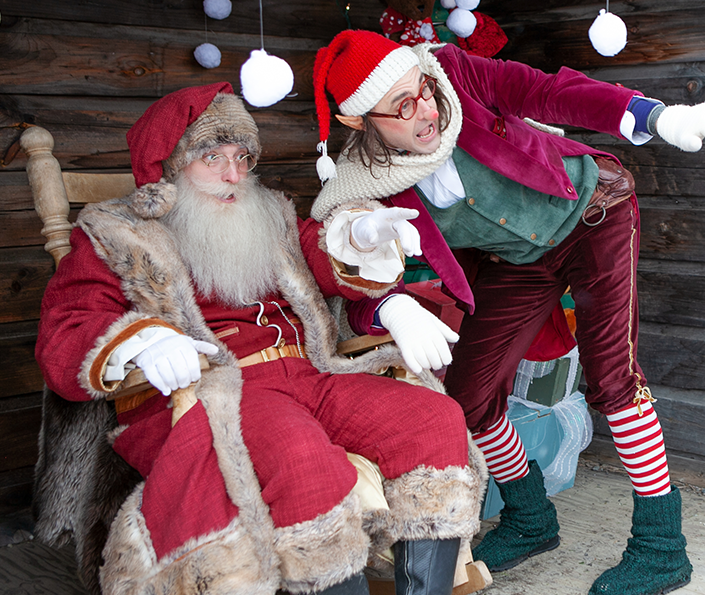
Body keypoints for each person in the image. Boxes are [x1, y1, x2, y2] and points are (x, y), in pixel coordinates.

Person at [33, 82, 488, 595]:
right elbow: (68, 330)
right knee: (302, 455)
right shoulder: (115, 235)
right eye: (212, 157)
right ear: (169, 166)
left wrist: (358, 237)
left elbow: (319, 253)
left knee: (432, 418)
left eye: (242, 156)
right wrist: (142, 342)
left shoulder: (267, 213)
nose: (233, 175)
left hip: (311, 373)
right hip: (218, 392)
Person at [309, 29, 702, 595]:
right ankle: (530, 518)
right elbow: (347, 259)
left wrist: (648, 116)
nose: (426, 110)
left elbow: (549, 92)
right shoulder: (365, 182)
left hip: (594, 210)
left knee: (613, 375)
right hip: (524, 258)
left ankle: (663, 547)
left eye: (420, 88)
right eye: (401, 105)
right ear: (357, 123)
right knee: (468, 393)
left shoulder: (453, 76)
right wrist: (384, 289)